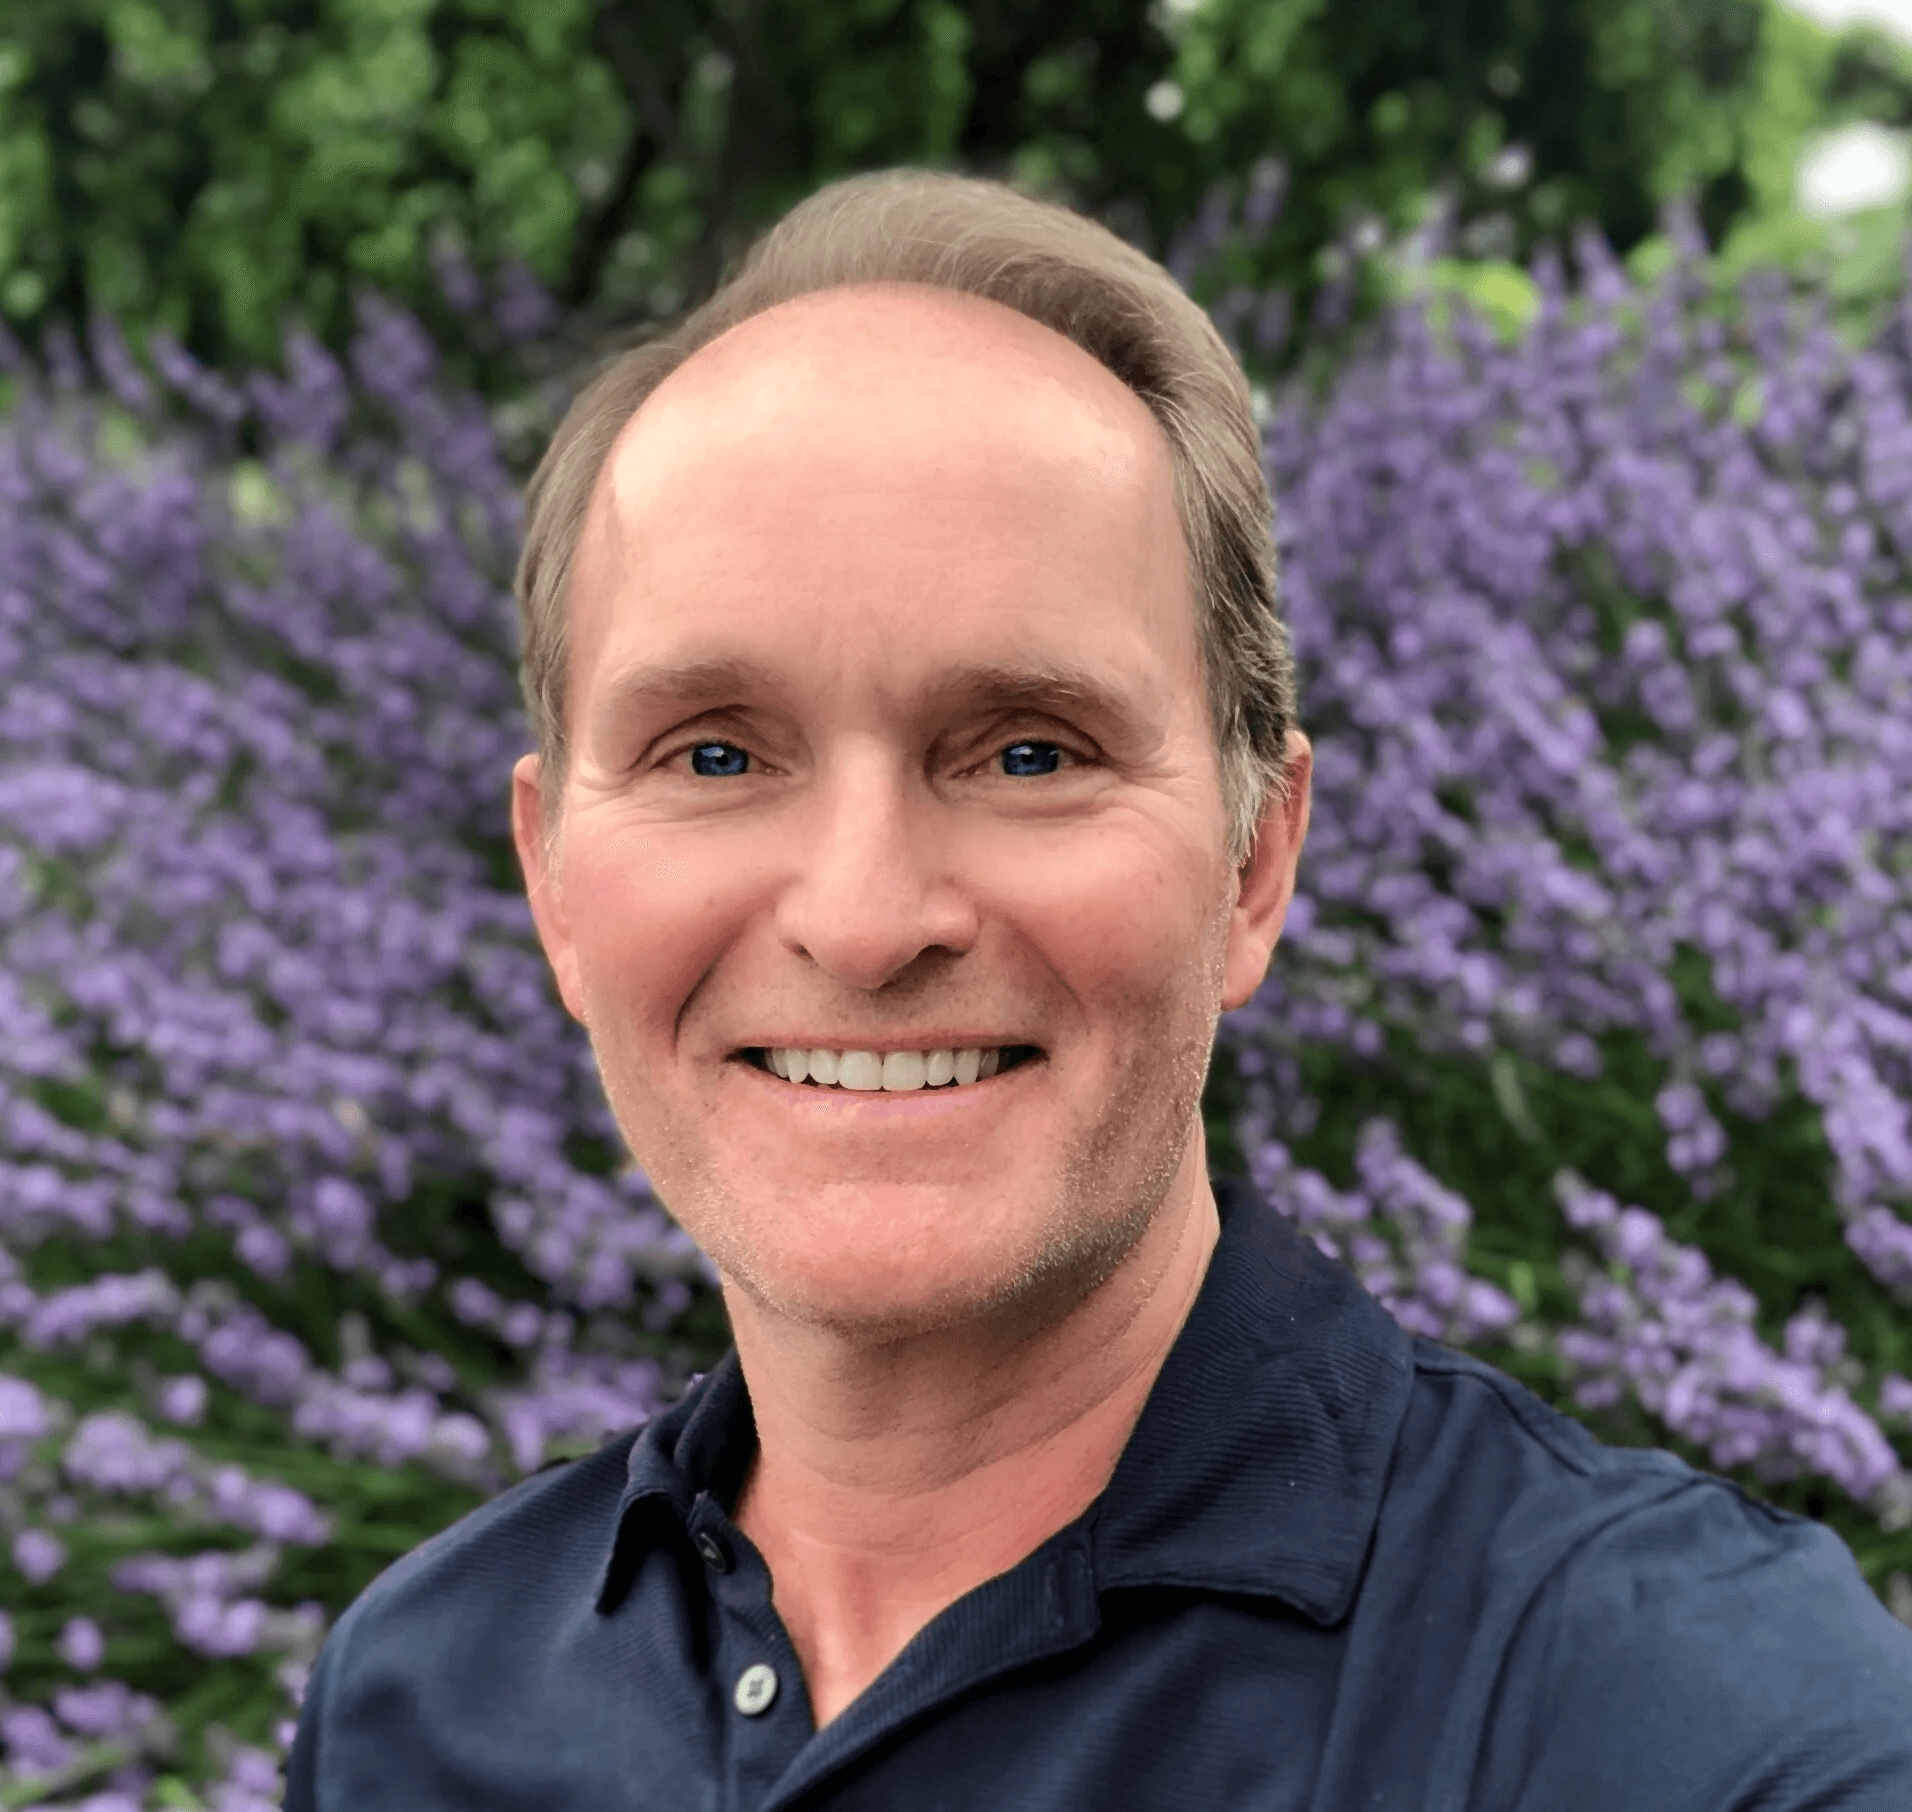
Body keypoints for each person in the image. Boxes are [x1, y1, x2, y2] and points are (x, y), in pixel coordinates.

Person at [283, 170, 1912, 1811]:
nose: (864, 921)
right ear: (555, 881)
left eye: (1028, 752)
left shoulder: (1694, 1723)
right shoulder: (417, 1705)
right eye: (713, 755)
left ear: (1254, 863)